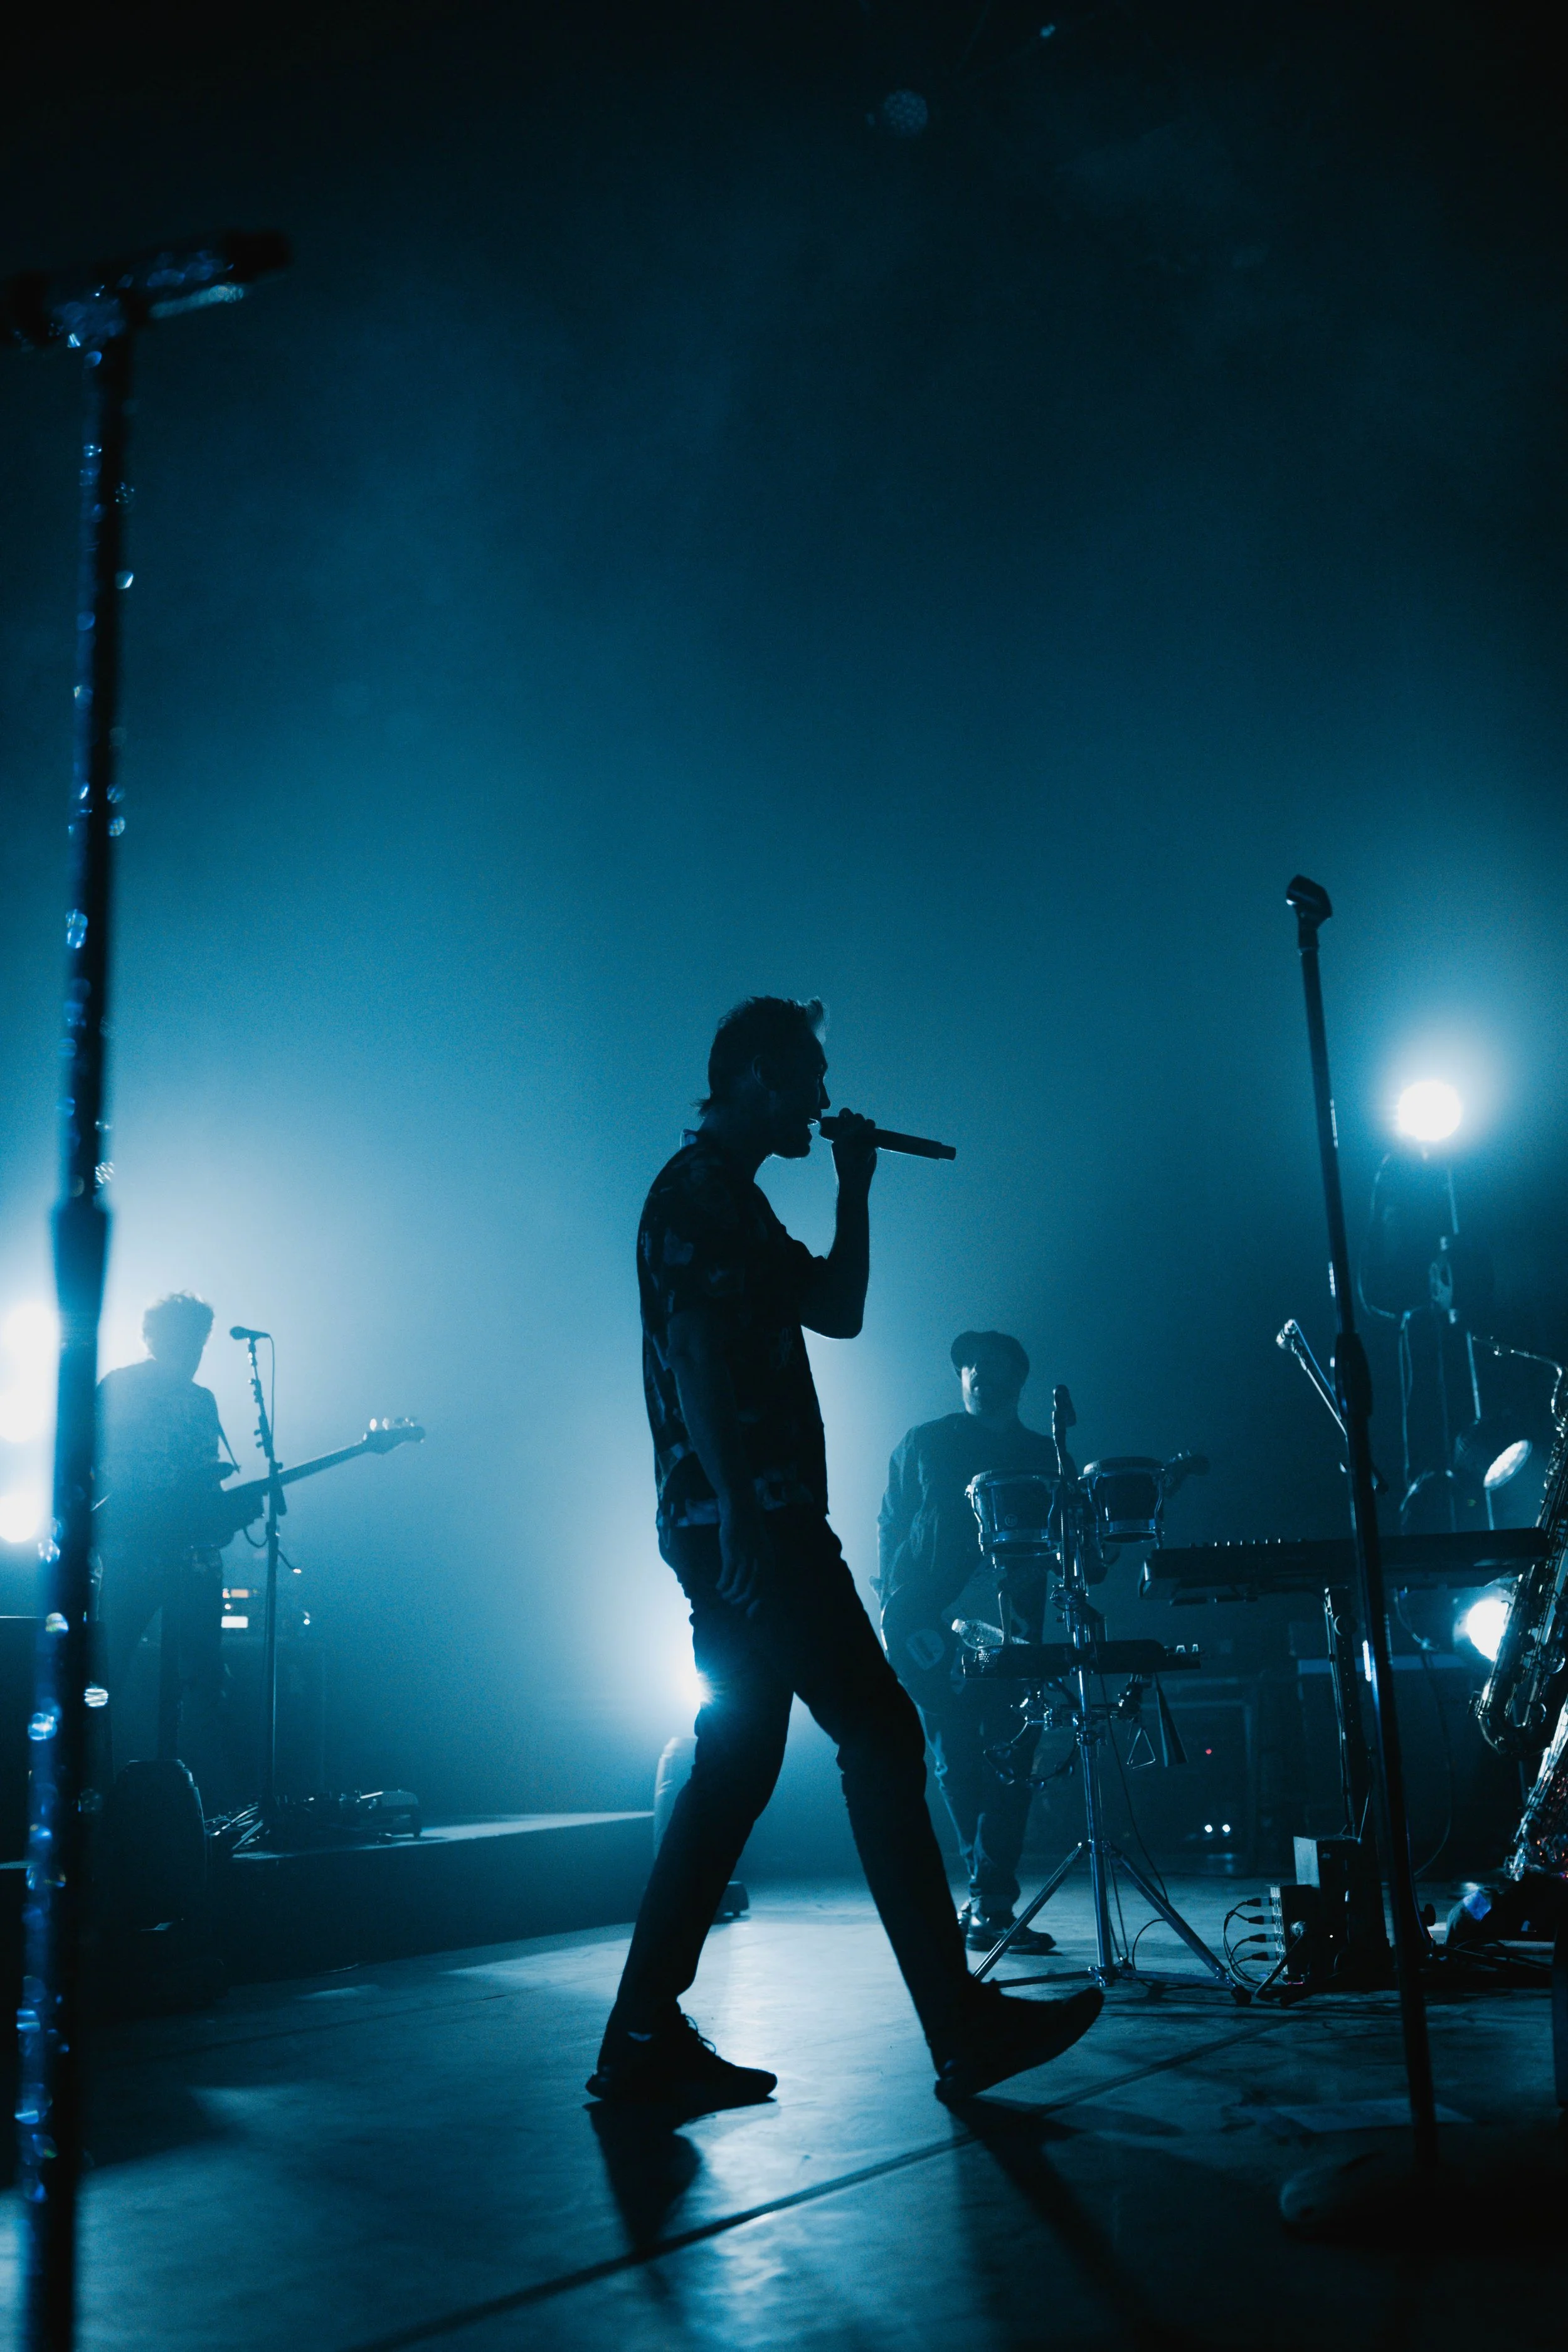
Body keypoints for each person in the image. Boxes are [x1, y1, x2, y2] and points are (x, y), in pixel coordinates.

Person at [588, 997, 1101, 2111]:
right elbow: (690, 1355)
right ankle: (959, 2025)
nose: (823, 1101)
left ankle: (637, 2038)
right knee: (879, 1726)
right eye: (811, 1079)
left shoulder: (741, 1205)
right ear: (762, 1076)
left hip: (742, 1519)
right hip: (754, 1521)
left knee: (738, 1765)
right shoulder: (696, 1195)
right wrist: (737, 1514)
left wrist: (855, 1187)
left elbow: (841, 1310)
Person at [879, 1332, 1062, 1954]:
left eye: (992, 1368)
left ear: (1019, 1378)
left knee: (1011, 1763)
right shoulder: (925, 1443)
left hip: (1015, 1630)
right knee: (957, 1763)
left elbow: (1069, 1545)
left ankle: (989, 1900)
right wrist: (893, 1607)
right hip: (931, 1630)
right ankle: (987, 1900)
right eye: (969, 1368)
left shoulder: (1044, 1453)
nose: (979, 1376)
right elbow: (892, 1520)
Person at [97, 1293, 233, 1771]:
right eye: (185, 1338)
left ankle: (196, 1796)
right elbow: (87, 1462)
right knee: (108, 1669)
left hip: (193, 1558)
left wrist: (226, 1515)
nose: (194, 1351)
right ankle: (97, 1790)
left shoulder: (203, 1401)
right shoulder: (120, 1387)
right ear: (153, 1338)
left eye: (201, 1341)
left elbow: (205, 1481)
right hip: (134, 1551)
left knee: (205, 1678)